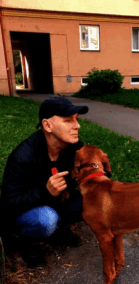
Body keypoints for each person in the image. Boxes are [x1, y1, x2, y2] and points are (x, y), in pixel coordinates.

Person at [0, 96, 89, 267]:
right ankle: (26, 242)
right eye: (68, 120)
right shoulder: (23, 156)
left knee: (90, 200)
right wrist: (45, 191)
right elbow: (9, 203)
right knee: (46, 219)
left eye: (76, 119)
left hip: (56, 201)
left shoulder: (74, 147)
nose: (77, 125)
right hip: (25, 211)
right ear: (47, 125)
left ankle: (59, 230)